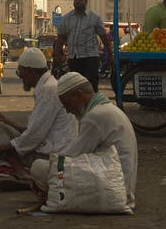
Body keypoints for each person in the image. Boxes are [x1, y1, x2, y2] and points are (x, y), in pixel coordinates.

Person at [0, 47, 77, 180]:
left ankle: (20, 171)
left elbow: (31, 137)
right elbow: (33, 131)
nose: (21, 77)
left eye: (21, 73)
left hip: (50, 155)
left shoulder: (48, 90)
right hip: (48, 146)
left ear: (30, 72)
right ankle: (7, 164)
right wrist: (3, 119)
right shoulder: (48, 86)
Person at [31, 71, 138, 210]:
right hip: (122, 184)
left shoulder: (94, 117)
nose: (67, 111)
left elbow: (71, 157)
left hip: (114, 186)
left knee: (38, 167)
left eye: (66, 104)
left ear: (78, 95)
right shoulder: (108, 108)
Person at [53, 0, 112, 92]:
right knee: (76, 86)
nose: (77, 2)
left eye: (80, 0)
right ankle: (78, 107)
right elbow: (61, 38)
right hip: (74, 58)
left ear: (86, 2)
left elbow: (104, 37)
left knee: (90, 86)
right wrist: (57, 55)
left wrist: (110, 55)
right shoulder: (67, 18)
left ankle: (92, 107)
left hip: (90, 57)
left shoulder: (94, 18)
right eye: (75, 0)